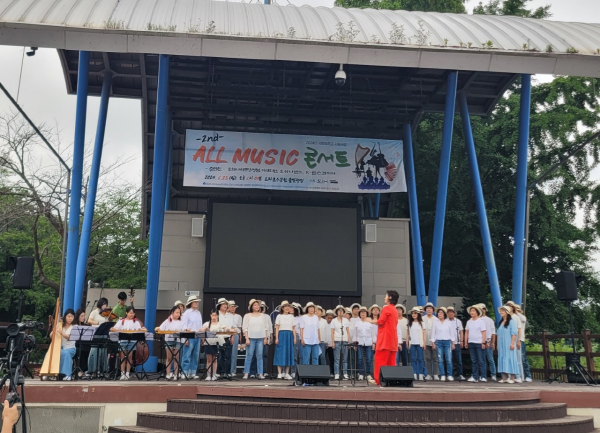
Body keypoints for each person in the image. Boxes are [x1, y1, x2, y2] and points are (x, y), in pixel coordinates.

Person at [369, 290, 399, 385]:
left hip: (385, 339)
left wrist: (369, 321)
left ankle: (378, 380)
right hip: (393, 340)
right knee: (391, 362)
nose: (384, 298)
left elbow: (380, 321)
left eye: (386, 296)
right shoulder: (394, 309)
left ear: (390, 297)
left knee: (380, 360)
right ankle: (391, 380)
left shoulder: (386, 308)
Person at [111, 306, 147, 380]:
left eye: (133, 313)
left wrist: (142, 329)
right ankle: (122, 373)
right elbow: (115, 328)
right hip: (123, 340)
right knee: (123, 357)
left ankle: (127, 373)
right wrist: (113, 329)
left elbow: (139, 330)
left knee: (129, 357)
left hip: (132, 341)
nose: (132, 314)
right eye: (130, 313)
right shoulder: (121, 321)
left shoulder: (136, 322)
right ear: (126, 313)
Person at [157, 305, 185, 380]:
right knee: (169, 357)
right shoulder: (167, 321)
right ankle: (168, 373)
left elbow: (185, 330)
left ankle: (176, 374)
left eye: (179, 313)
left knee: (176, 357)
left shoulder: (181, 322)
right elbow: (161, 328)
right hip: (169, 340)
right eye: (176, 312)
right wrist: (158, 328)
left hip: (178, 340)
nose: (178, 314)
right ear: (172, 313)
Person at [243, 299, 269, 379]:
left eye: (258, 305)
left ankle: (260, 373)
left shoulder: (263, 316)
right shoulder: (247, 316)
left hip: (260, 338)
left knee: (260, 356)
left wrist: (265, 338)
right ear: (251, 307)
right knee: (249, 356)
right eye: (255, 305)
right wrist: (247, 338)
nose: (257, 306)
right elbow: (245, 328)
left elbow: (266, 328)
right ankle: (246, 373)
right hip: (251, 338)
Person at [431, 307, 456, 381]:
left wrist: (453, 343)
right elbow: (433, 333)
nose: (439, 314)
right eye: (438, 313)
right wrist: (433, 343)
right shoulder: (435, 322)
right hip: (438, 342)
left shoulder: (448, 322)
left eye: (441, 313)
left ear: (444, 314)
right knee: (440, 359)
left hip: (447, 342)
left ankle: (449, 374)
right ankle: (442, 374)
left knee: (448, 359)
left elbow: (452, 333)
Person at [181, 295, 203, 379]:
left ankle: (193, 372)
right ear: (191, 303)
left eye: (197, 302)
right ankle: (185, 372)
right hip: (189, 335)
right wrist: (185, 338)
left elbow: (200, 326)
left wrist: (202, 337)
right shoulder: (187, 313)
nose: (197, 303)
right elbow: (184, 326)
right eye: (195, 302)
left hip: (197, 335)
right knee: (187, 354)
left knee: (195, 354)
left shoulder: (198, 313)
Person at [496, 305, 519, 384]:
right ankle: (504, 377)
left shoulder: (511, 321)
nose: (501, 312)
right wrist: (497, 344)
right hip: (502, 344)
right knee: (502, 358)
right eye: (501, 311)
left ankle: (512, 378)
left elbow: (514, 334)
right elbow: (498, 334)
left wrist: (512, 343)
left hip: (508, 343)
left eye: (503, 311)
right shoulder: (501, 322)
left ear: (507, 312)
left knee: (510, 358)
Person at [203, 310, 228, 381]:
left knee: (215, 360)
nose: (214, 317)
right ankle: (208, 375)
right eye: (212, 315)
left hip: (216, 343)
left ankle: (214, 374)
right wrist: (205, 329)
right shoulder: (207, 324)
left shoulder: (220, 324)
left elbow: (225, 328)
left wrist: (226, 329)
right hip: (208, 343)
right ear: (210, 316)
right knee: (209, 360)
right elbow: (201, 330)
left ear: (217, 316)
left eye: (215, 315)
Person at [274, 300, 296, 379]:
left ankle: (287, 373)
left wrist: (294, 338)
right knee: (280, 353)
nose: (287, 308)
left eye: (288, 306)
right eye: (285, 306)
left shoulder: (291, 316)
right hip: (281, 334)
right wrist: (276, 338)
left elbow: (293, 328)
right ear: (282, 308)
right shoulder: (279, 316)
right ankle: (279, 373)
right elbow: (277, 327)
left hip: (289, 335)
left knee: (288, 353)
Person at [87, 298, 109, 376]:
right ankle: (93, 370)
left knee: (103, 351)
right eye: (104, 304)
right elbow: (89, 321)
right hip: (96, 333)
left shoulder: (106, 314)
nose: (105, 306)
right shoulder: (94, 312)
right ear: (100, 304)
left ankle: (102, 370)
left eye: (106, 304)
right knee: (94, 351)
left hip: (103, 334)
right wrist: (98, 323)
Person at [465, 305, 487, 383]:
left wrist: (483, 342)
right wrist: (466, 341)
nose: (472, 312)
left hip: (479, 342)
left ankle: (483, 376)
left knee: (481, 360)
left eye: (473, 311)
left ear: (477, 312)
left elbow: (484, 332)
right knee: (473, 360)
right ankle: (475, 376)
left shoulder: (481, 321)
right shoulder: (468, 321)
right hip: (471, 342)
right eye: (471, 311)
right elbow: (466, 332)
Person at [511, 302, 532, 382]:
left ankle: (528, 375)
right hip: (513, 339)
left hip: (520, 339)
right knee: (515, 358)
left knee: (523, 358)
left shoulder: (520, 317)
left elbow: (524, 319)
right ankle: (517, 375)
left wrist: (516, 312)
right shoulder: (511, 317)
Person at [476, 303, 497, 382]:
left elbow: (493, 332)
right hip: (479, 341)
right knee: (481, 359)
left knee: (490, 359)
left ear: (485, 310)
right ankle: (481, 374)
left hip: (487, 340)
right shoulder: (476, 319)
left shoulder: (489, 320)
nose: (482, 310)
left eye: (482, 309)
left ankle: (493, 374)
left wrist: (493, 342)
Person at [505, 301, 524, 383]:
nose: (509, 307)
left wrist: (519, 340)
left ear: (513, 308)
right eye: (507, 306)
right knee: (510, 358)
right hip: (508, 338)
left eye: (510, 306)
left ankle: (519, 376)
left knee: (518, 358)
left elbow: (519, 329)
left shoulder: (516, 317)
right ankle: (510, 376)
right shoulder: (506, 317)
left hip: (515, 338)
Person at [54, 308, 76, 380]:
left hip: (71, 349)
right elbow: (51, 336)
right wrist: (55, 329)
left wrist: (62, 333)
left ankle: (67, 374)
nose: (70, 318)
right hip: (60, 348)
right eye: (68, 316)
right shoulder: (60, 326)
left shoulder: (75, 327)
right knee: (51, 353)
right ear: (65, 317)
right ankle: (50, 373)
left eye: (72, 316)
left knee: (66, 353)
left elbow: (70, 337)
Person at [330, 304, 351, 380]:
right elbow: (332, 332)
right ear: (337, 312)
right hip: (337, 340)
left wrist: (349, 341)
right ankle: (337, 373)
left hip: (344, 340)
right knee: (337, 359)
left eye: (342, 311)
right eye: (339, 311)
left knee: (345, 358)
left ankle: (345, 373)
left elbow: (348, 331)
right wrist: (332, 342)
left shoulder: (346, 320)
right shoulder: (333, 320)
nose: (340, 312)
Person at [355, 306, 374, 380]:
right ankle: (361, 373)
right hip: (359, 342)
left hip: (369, 342)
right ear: (359, 314)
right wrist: (355, 343)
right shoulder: (357, 323)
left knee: (369, 359)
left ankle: (368, 373)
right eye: (361, 312)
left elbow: (372, 333)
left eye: (364, 312)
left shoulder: (370, 322)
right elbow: (355, 333)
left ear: (367, 314)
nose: (363, 314)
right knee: (360, 358)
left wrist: (373, 343)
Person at [216, 298, 234, 377]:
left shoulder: (230, 315)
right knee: (220, 356)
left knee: (228, 356)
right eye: (223, 304)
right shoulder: (217, 314)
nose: (225, 306)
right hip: (219, 337)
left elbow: (232, 327)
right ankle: (220, 372)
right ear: (219, 306)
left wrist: (232, 336)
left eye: (226, 304)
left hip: (228, 337)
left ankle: (227, 372)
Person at [447, 306, 465, 381]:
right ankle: (450, 374)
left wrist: (461, 341)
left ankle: (460, 374)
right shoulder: (445, 321)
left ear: (454, 313)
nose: (450, 313)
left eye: (452, 312)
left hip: (457, 342)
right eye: (449, 312)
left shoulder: (458, 321)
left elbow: (461, 331)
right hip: (448, 342)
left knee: (458, 360)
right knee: (449, 359)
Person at [408, 307, 426, 381]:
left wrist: (424, 343)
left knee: (420, 359)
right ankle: (414, 373)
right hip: (412, 343)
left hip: (419, 343)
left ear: (418, 314)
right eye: (412, 313)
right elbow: (408, 333)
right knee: (412, 359)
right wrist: (407, 341)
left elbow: (424, 334)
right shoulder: (409, 323)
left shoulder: (422, 323)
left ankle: (420, 373)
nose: (413, 315)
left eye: (415, 313)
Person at [422, 302, 440, 380]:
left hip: (434, 342)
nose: (429, 310)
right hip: (425, 341)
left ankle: (436, 373)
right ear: (425, 310)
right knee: (427, 358)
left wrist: (435, 342)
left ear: (433, 310)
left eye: (430, 308)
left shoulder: (436, 319)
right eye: (427, 308)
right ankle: (428, 374)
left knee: (435, 358)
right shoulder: (422, 319)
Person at [229, 300, 243, 377]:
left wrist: (240, 336)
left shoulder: (238, 316)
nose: (233, 308)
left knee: (234, 354)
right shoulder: (226, 316)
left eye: (234, 307)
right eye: (231, 307)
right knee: (227, 353)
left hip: (236, 333)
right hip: (228, 334)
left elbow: (240, 327)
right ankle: (227, 370)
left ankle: (233, 370)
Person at [324, 310, 335, 375]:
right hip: (324, 343)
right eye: (328, 318)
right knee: (322, 358)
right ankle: (323, 372)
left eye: (331, 318)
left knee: (332, 359)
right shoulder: (323, 323)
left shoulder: (334, 323)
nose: (329, 319)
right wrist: (325, 342)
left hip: (331, 344)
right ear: (325, 317)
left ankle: (332, 372)